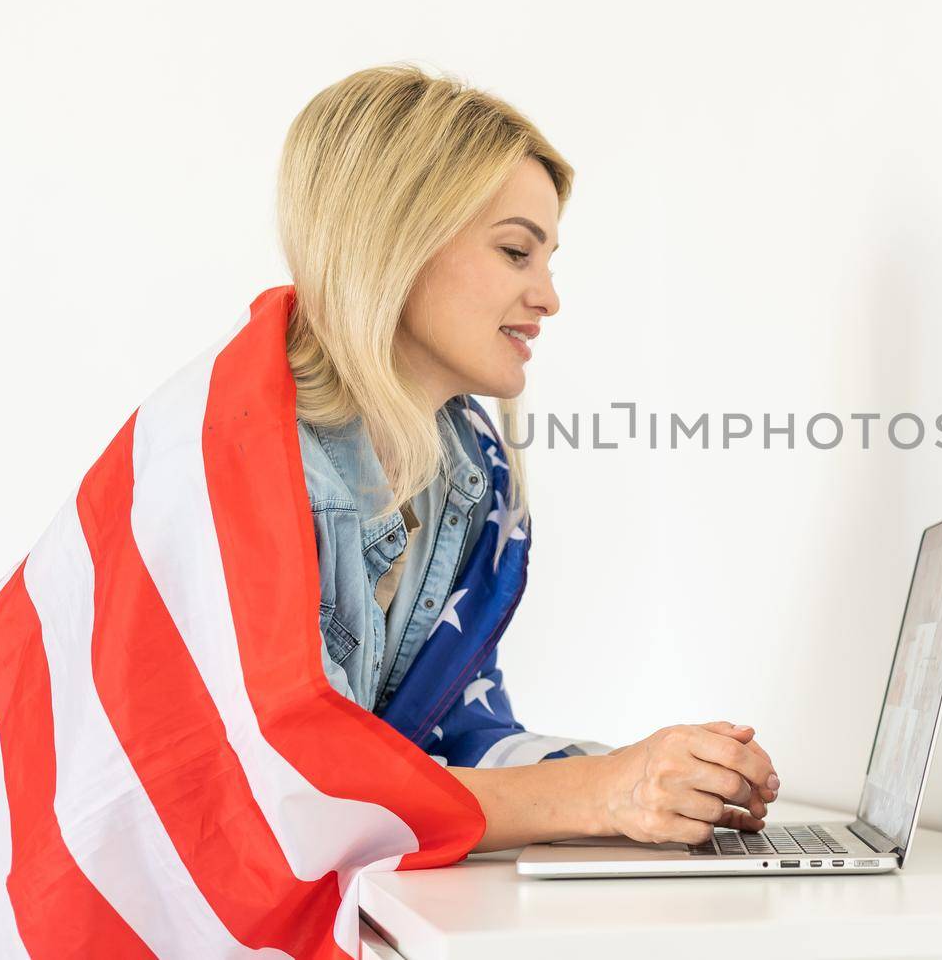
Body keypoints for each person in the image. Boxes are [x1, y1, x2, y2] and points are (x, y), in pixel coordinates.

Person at [277, 63, 780, 853]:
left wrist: (659, 777)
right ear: (394, 243)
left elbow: (453, 742)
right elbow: (300, 793)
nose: (549, 297)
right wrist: (601, 791)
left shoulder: (469, 469)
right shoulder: (249, 463)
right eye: (517, 251)